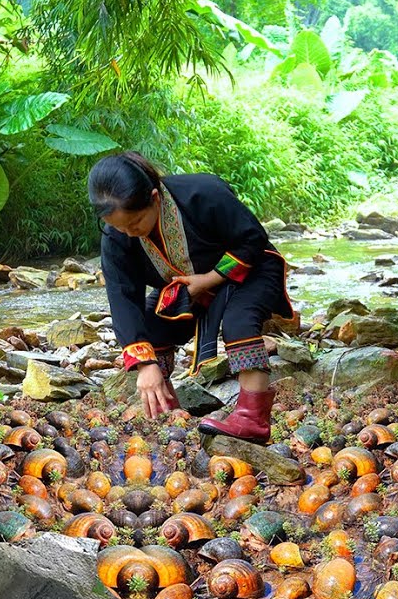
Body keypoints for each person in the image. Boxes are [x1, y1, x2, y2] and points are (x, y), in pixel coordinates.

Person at [90, 152, 295, 444]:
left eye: (135, 223)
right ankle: (167, 413)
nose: (128, 233)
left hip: (251, 269)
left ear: (155, 198)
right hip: (189, 289)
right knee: (148, 329)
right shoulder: (117, 237)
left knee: (239, 321)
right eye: (119, 226)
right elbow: (123, 298)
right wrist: (145, 365)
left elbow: (253, 239)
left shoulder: (204, 193)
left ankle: (253, 419)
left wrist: (210, 279)